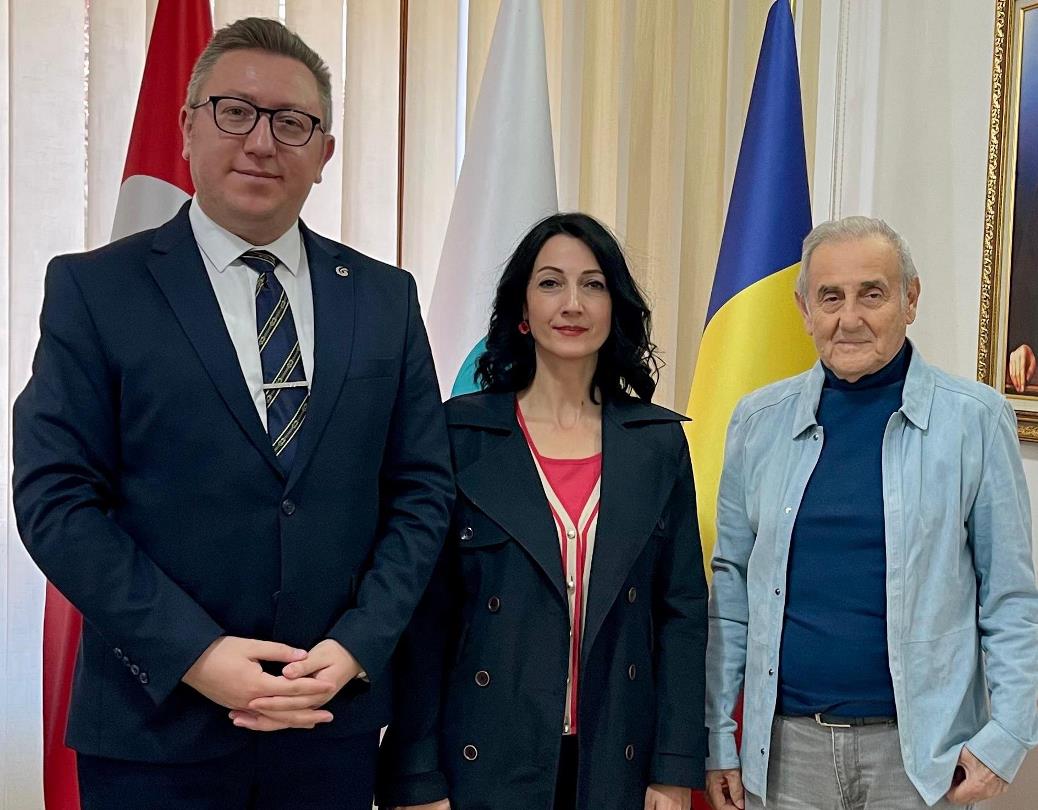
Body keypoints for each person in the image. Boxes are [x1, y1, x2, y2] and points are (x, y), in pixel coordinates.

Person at [13, 17, 453, 810]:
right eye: (235, 112)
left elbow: (422, 491)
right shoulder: (96, 290)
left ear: (324, 153)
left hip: (329, 723)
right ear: (187, 127)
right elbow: (57, 500)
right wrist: (195, 654)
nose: (261, 142)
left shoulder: (385, 298)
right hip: (154, 734)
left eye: (291, 123)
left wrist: (359, 643)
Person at [704, 216, 1038, 810]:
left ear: (911, 299)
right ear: (805, 309)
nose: (849, 317)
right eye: (830, 297)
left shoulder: (976, 421)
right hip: (784, 756)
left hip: (921, 761)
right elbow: (730, 593)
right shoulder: (757, 423)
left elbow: (1010, 597)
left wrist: (1008, 735)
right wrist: (717, 737)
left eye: (872, 294)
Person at [376, 212, 708, 810]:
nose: (572, 303)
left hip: (618, 760)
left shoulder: (658, 444)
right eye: (551, 283)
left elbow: (681, 614)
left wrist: (674, 768)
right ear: (523, 310)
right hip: (483, 758)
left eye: (593, 284)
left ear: (614, 307)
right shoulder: (460, 435)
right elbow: (424, 623)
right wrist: (415, 776)